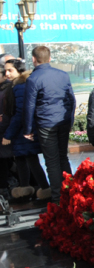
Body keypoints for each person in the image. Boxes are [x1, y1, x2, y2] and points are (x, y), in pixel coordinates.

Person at [23, 46, 76, 204]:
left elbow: (29, 106)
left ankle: (57, 199)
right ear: (50, 58)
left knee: (52, 161)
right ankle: (71, 194)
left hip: (46, 122)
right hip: (62, 121)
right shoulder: (63, 75)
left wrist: (27, 129)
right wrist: (70, 120)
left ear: (34, 59)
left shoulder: (33, 79)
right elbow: (71, 100)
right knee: (63, 157)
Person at [2, 59, 50, 201]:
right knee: (22, 160)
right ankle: (25, 190)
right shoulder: (16, 85)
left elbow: (20, 113)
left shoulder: (20, 86)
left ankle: (45, 190)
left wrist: (8, 134)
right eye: (5, 70)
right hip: (22, 131)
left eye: (10, 70)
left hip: (25, 131)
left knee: (31, 160)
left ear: (19, 71)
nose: (7, 73)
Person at [0, 53, 15, 200]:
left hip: (5, 132)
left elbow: (7, 114)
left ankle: (5, 188)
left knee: (4, 161)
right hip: (5, 131)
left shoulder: (7, 90)